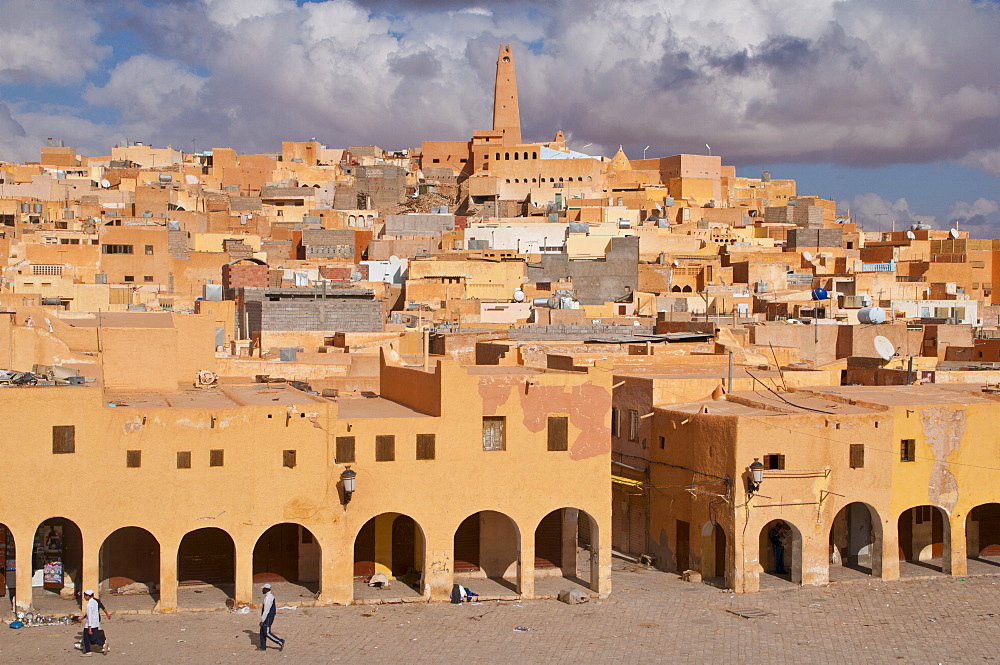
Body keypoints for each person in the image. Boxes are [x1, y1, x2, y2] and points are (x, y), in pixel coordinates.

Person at [80, 590, 108, 657]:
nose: (84, 597)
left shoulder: (89, 604)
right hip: (95, 623)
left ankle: (89, 652)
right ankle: (103, 645)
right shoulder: (95, 602)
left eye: (85, 596)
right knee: (93, 638)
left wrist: (89, 627)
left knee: (87, 638)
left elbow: (89, 616)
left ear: (87, 596)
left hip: (90, 624)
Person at [258, 584, 285, 652]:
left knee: (267, 632)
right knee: (262, 632)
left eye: (263, 589)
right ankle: (262, 646)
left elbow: (266, 610)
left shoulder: (268, 598)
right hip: (267, 617)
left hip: (268, 617)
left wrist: (262, 620)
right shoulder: (268, 596)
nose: (262, 590)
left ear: (267, 589)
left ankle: (280, 641)